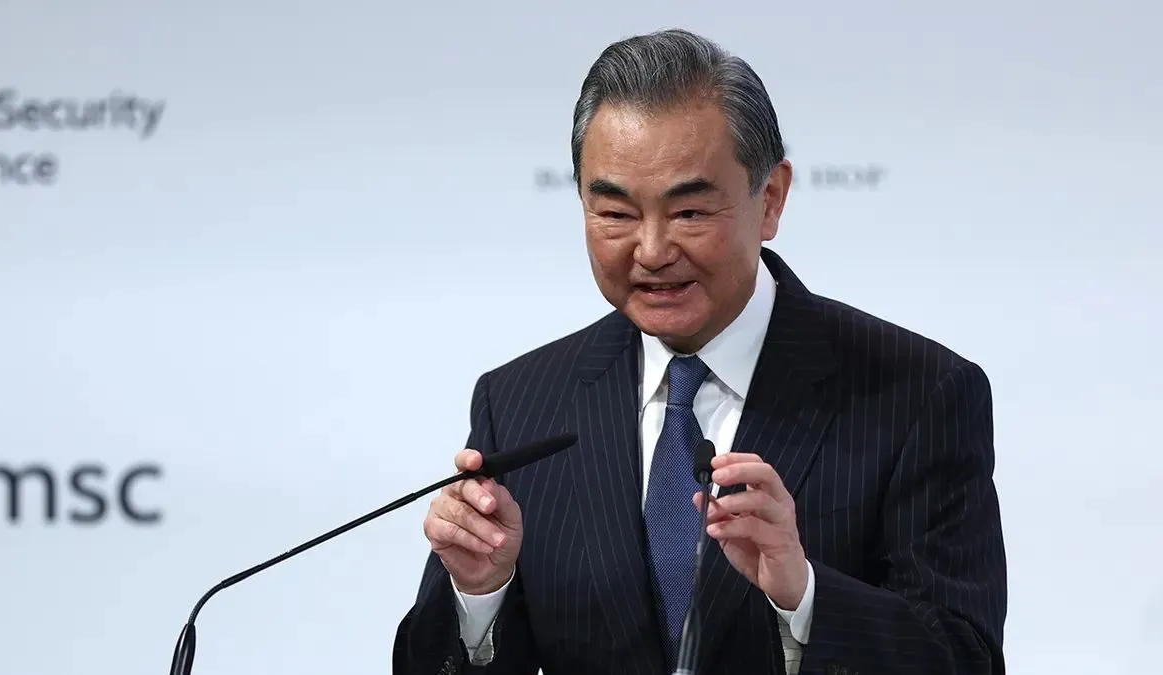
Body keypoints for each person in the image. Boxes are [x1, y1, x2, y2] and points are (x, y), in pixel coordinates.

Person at [393, 28, 1007, 675]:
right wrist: (480, 596)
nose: (653, 250)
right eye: (616, 214)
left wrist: (805, 597)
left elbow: (965, 658)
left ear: (770, 199)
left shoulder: (919, 393)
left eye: (688, 212)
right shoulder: (520, 402)